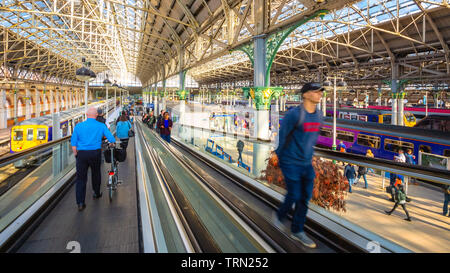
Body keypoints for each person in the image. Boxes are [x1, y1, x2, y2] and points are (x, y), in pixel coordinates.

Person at [273, 82, 324, 248]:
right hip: (290, 161)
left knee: (305, 197)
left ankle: (297, 230)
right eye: (316, 91)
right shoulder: (294, 115)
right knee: (294, 194)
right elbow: (282, 135)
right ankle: (280, 216)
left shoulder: (319, 115)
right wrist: (280, 157)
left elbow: (311, 139)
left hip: (306, 163)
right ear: (306, 94)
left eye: (320, 91)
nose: (320, 94)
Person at [71, 107, 116, 211]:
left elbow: (73, 143)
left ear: (86, 115)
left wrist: (76, 154)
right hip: (95, 153)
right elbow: (111, 138)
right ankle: (96, 193)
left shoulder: (78, 126)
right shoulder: (101, 125)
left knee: (81, 178)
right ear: (96, 115)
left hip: (81, 154)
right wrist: (112, 142)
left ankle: (80, 203)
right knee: (96, 173)